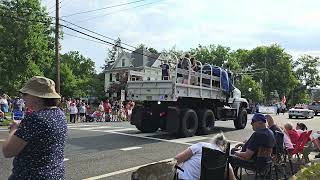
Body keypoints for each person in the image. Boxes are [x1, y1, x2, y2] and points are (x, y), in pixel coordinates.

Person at [2, 76, 67, 179]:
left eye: (25, 94)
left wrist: (14, 129)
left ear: (37, 97)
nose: (23, 98)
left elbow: (8, 151)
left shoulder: (34, 118)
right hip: (55, 175)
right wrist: (23, 126)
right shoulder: (60, 114)